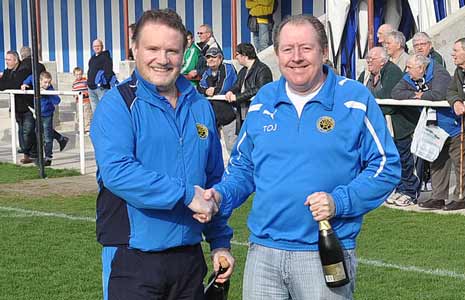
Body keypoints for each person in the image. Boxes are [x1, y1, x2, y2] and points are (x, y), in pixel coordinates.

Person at [204, 15, 401, 300]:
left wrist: (339, 201)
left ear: (323, 51)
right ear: (278, 54)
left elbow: (386, 166)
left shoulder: (354, 99)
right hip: (263, 254)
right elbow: (244, 167)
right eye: (287, 49)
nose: (296, 57)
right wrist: (221, 196)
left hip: (324, 252)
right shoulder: (263, 100)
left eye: (306, 48)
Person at [89, 9, 234, 300]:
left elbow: (213, 179)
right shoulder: (118, 104)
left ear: (184, 53)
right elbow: (118, 172)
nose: (163, 59)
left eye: (172, 50)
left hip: (189, 259)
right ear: (135, 49)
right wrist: (185, 195)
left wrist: (219, 241)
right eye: (153, 48)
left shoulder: (199, 105)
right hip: (133, 259)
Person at [391, 54, 455, 210]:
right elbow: (396, 92)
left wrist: (422, 95)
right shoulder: (411, 75)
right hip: (435, 126)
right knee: (437, 161)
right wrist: (417, 95)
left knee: (460, 163)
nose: (406, 71)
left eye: (409, 68)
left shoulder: (440, 72)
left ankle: (461, 198)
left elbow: (439, 95)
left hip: (453, 125)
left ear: (421, 68)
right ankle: (438, 198)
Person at [359, 47, 417, 206]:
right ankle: (397, 189)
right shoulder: (367, 75)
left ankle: (410, 191)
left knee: (404, 158)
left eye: (372, 58)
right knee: (389, 158)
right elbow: (358, 93)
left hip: (400, 124)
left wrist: (368, 102)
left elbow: (389, 100)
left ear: (383, 61)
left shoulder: (392, 72)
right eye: (368, 58)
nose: (369, 61)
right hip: (381, 125)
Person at [21, 71, 69, 166]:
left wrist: (47, 93)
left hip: (47, 114)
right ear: (39, 81)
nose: (47, 84)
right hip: (38, 113)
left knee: (47, 137)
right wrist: (25, 83)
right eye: (45, 82)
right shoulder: (35, 80)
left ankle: (48, 158)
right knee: (38, 132)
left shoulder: (49, 89)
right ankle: (61, 138)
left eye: (49, 82)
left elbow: (57, 100)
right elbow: (31, 77)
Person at [225, 42, 273, 133]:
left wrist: (238, 97)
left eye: (237, 54)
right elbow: (237, 85)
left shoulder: (263, 69)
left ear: (245, 55)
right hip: (243, 111)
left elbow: (260, 89)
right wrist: (230, 91)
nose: (236, 57)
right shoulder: (243, 70)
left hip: (257, 113)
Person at [197, 47, 237, 153]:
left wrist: (212, 91)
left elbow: (224, 87)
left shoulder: (228, 67)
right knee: (211, 148)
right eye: (208, 57)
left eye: (214, 57)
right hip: (213, 114)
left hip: (229, 113)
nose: (210, 60)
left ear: (220, 58)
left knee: (232, 147)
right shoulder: (207, 72)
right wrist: (206, 91)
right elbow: (199, 87)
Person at [0, 50, 37, 164]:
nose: (6, 62)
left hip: (27, 107)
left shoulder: (24, 70)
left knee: (28, 131)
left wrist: (6, 82)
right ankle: (27, 155)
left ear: (16, 60)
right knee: (21, 131)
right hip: (16, 106)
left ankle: (34, 154)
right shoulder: (7, 72)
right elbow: (2, 86)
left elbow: (14, 85)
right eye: (6, 59)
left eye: (9, 60)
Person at [444, 37, 465, 210]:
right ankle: (462, 196)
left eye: (456, 50)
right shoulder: (458, 72)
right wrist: (456, 101)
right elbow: (450, 91)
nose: (453, 54)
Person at [87, 39, 116, 112]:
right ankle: (98, 123)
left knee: (104, 110)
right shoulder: (92, 58)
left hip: (101, 88)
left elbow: (108, 71)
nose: (96, 48)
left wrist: (103, 83)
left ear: (102, 47)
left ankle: (105, 124)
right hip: (91, 88)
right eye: (95, 46)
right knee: (95, 111)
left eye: (98, 46)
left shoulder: (105, 57)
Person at [72, 67, 93, 134]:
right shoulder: (74, 83)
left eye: (80, 74)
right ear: (74, 75)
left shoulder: (85, 81)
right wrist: (75, 95)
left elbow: (89, 89)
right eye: (77, 74)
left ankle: (87, 128)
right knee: (79, 115)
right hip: (79, 102)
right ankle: (81, 128)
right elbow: (73, 92)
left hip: (86, 101)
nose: (78, 76)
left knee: (87, 115)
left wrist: (86, 94)